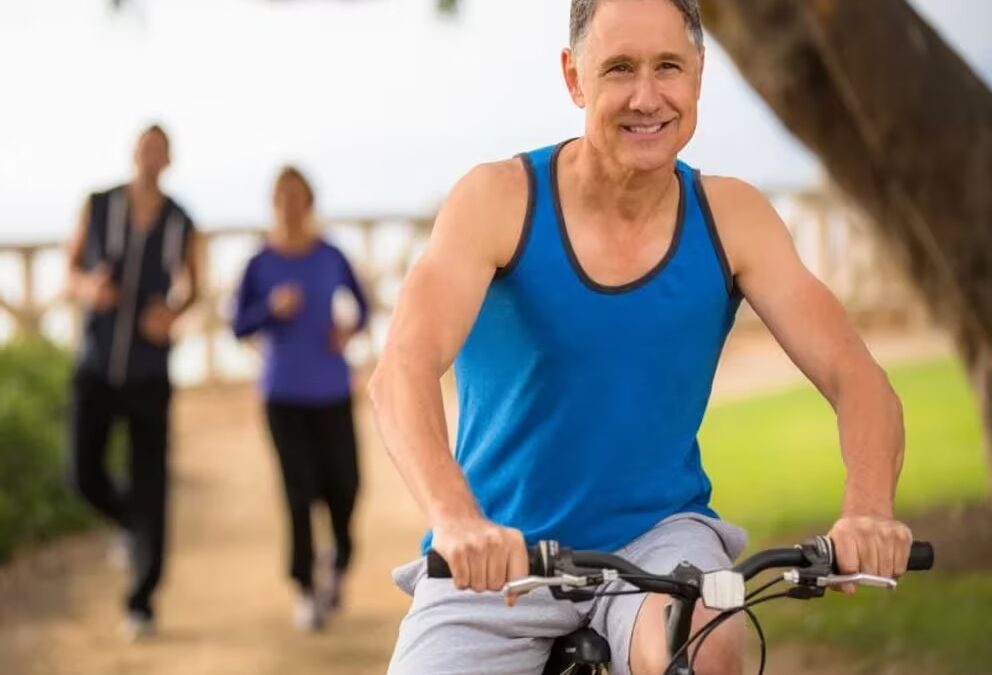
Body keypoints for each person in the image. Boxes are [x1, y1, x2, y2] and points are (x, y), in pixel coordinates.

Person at [368, 1, 914, 673]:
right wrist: (456, 520)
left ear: (699, 76)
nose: (646, 96)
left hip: (658, 543)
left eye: (669, 68)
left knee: (709, 639)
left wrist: (867, 510)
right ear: (574, 79)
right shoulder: (497, 200)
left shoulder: (732, 218)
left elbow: (858, 377)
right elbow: (402, 369)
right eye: (619, 68)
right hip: (497, 556)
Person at [66, 124, 199, 640]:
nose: (150, 157)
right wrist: (86, 287)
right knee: (83, 472)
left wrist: (173, 311)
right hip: (96, 363)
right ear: (133, 153)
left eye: (160, 150)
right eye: (145, 147)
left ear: (168, 159)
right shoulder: (98, 204)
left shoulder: (182, 219)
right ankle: (129, 524)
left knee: (152, 485)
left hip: (148, 372)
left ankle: (141, 600)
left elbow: (193, 282)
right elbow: (71, 265)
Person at [231, 166, 369, 631]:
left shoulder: (330, 255)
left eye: (298, 196)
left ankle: (339, 558)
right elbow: (238, 326)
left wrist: (348, 329)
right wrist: (272, 308)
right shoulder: (260, 262)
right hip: (282, 393)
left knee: (345, 487)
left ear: (309, 202)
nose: (290, 204)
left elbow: (364, 306)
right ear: (274, 203)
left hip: (331, 389)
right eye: (282, 197)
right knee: (297, 492)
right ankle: (306, 588)